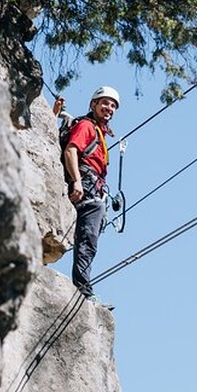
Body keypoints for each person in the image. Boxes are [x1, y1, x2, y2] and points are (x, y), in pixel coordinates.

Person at [62, 86, 120, 307]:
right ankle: (83, 288)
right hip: (87, 185)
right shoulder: (87, 126)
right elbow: (71, 150)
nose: (109, 108)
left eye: (113, 105)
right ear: (93, 104)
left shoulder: (98, 131)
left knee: (88, 238)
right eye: (105, 103)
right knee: (88, 240)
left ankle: (83, 285)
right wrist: (76, 181)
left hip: (94, 186)